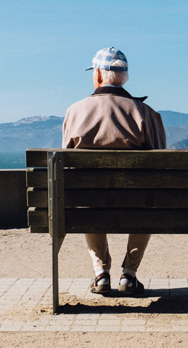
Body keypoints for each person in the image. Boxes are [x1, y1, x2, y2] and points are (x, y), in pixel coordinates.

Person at [62, 47, 167, 295]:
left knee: (87, 199)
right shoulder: (147, 114)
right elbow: (162, 165)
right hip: (136, 202)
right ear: (124, 78)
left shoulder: (75, 111)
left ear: (98, 75)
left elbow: (65, 165)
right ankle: (129, 275)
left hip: (91, 202)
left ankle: (101, 274)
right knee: (147, 201)